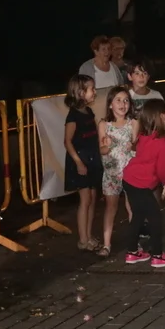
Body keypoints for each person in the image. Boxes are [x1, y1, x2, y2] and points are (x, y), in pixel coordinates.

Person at [121, 99, 165, 268]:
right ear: (163, 116)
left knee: (138, 216)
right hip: (140, 185)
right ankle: (157, 255)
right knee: (155, 218)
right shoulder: (162, 143)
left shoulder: (144, 136)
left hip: (129, 180)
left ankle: (132, 252)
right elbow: (163, 169)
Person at [98, 85, 138, 258]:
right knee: (111, 207)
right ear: (110, 104)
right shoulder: (104, 124)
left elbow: (137, 146)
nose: (123, 104)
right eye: (118, 100)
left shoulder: (133, 123)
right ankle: (106, 244)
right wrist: (106, 146)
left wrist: (132, 146)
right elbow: (102, 150)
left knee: (132, 207)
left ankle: (134, 243)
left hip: (129, 173)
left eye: (126, 100)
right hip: (111, 174)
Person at [63, 75, 102, 252]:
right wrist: (78, 162)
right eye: (91, 89)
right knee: (85, 200)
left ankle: (89, 234)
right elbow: (67, 141)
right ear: (80, 92)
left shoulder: (89, 112)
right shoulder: (73, 116)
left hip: (92, 158)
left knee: (92, 199)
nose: (94, 92)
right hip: (81, 160)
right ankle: (83, 239)